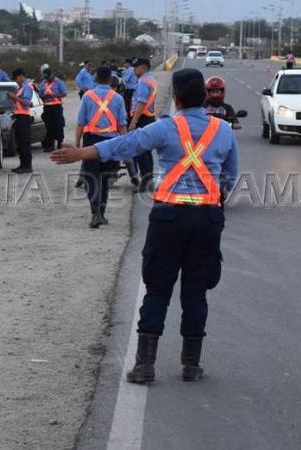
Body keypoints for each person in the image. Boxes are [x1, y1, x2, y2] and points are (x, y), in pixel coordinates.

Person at [50, 68, 239, 383]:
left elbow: (125, 144)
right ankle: (191, 366)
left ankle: (144, 366)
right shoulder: (223, 131)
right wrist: (211, 197)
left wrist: (82, 152)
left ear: (176, 98)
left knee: (158, 289)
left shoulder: (165, 127)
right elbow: (230, 176)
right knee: (196, 294)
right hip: (206, 219)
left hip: (168, 217)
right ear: (205, 96)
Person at [74, 66, 128, 228]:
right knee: (105, 179)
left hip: (91, 141)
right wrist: (125, 146)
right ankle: (101, 214)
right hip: (112, 142)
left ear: (96, 79)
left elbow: (80, 123)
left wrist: (77, 145)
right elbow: (122, 125)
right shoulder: (118, 98)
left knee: (89, 177)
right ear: (110, 80)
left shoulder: (87, 96)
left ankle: (95, 211)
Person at [129, 57, 158, 192]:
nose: (134, 69)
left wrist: (134, 121)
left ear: (144, 67)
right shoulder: (151, 79)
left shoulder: (142, 81)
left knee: (140, 151)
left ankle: (145, 182)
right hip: (150, 118)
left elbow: (141, 102)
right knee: (147, 152)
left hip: (142, 118)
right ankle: (149, 180)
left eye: (136, 67)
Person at [7, 68, 34, 174]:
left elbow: (27, 102)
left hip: (24, 117)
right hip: (19, 117)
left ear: (20, 76)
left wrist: (14, 97)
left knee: (24, 143)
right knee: (20, 143)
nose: (15, 81)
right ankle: (23, 165)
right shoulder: (21, 88)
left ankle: (27, 166)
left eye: (16, 78)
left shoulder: (27, 87)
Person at [39, 66, 67, 153]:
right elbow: (40, 94)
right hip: (47, 107)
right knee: (49, 126)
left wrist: (54, 95)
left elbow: (64, 93)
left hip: (56, 107)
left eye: (48, 77)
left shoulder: (59, 82)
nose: (47, 79)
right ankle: (50, 145)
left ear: (52, 74)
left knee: (58, 125)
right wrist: (44, 96)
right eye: (46, 78)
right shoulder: (43, 83)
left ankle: (60, 143)